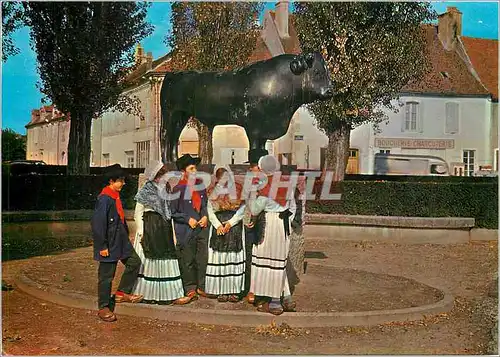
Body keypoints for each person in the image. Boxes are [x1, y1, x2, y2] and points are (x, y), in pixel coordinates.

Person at [91, 164, 144, 322]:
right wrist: (102, 246)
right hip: (109, 244)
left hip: (121, 241)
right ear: (111, 181)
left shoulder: (114, 196)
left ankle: (121, 293)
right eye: (120, 180)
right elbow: (98, 225)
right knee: (106, 276)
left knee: (134, 262)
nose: (124, 183)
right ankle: (104, 307)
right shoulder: (105, 199)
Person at [246, 155, 297, 315]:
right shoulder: (286, 183)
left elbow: (254, 209)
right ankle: (287, 297)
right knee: (278, 262)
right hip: (282, 225)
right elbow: (293, 208)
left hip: (269, 225)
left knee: (267, 262)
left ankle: (275, 303)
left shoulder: (264, 187)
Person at [131, 160, 187, 305]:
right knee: (152, 260)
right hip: (150, 226)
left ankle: (171, 294)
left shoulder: (167, 189)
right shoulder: (147, 189)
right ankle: (149, 294)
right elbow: (138, 212)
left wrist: (173, 233)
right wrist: (141, 230)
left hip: (164, 227)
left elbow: (168, 212)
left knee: (167, 260)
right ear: (156, 176)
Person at [171, 154, 209, 303]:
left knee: (201, 258)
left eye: (195, 167)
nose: (195, 171)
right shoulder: (177, 189)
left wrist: (204, 216)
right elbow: (173, 212)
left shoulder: (200, 186)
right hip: (185, 230)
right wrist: (188, 219)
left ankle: (201, 286)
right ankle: (190, 288)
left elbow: (204, 205)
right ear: (183, 171)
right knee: (188, 259)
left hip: (201, 228)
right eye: (191, 168)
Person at [205, 165, 246, 302]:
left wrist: (230, 223)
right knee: (220, 256)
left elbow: (242, 210)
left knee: (232, 257)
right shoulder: (211, 191)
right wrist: (217, 225)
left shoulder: (239, 190)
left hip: (233, 225)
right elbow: (209, 210)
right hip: (218, 224)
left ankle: (233, 290)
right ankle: (221, 290)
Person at [241, 148, 268, 304]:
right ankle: (250, 288)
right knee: (250, 256)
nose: (250, 169)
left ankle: (259, 289)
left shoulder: (267, 180)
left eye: (253, 166)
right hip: (250, 221)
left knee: (261, 256)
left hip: (263, 222)